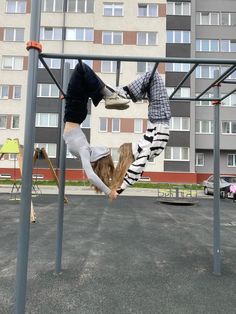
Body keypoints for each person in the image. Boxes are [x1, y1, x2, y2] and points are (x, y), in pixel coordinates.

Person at [63, 61, 130, 200]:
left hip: (74, 111)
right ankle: (109, 95)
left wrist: (109, 192)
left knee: (82, 68)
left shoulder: (84, 152)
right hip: (75, 111)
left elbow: (91, 176)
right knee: (82, 70)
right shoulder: (84, 151)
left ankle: (109, 95)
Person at [111, 70, 171, 196]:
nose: (129, 144)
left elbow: (137, 169)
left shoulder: (142, 148)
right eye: (127, 147)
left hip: (158, 118)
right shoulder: (143, 153)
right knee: (152, 75)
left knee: (152, 77)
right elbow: (136, 168)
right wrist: (122, 187)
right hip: (159, 117)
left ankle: (127, 93)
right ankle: (125, 93)